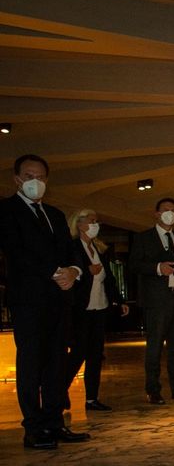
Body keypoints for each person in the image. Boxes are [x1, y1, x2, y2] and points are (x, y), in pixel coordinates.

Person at [0, 154, 91, 449]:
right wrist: (55, 272)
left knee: (56, 360)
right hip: (28, 298)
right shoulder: (7, 210)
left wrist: (73, 271)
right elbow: (16, 252)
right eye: (29, 176)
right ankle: (34, 428)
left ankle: (54, 422)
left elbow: (70, 249)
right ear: (17, 180)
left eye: (40, 177)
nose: (34, 182)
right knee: (31, 361)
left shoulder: (54, 214)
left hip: (58, 298)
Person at [128, 197, 174, 405]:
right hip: (156, 300)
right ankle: (153, 389)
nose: (170, 213)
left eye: (173, 210)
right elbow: (134, 265)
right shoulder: (144, 238)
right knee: (155, 346)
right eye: (166, 210)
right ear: (157, 214)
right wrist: (158, 268)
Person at [64, 209, 130, 411]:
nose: (95, 224)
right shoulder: (72, 247)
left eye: (96, 221)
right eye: (92, 221)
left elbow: (109, 278)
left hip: (99, 306)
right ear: (80, 223)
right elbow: (70, 275)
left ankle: (92, 398)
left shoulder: (99, 248)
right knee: (78, 352)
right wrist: (86, 272)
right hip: (81, 308)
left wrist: (119, 300)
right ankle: (59, 390)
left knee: (95, 354)